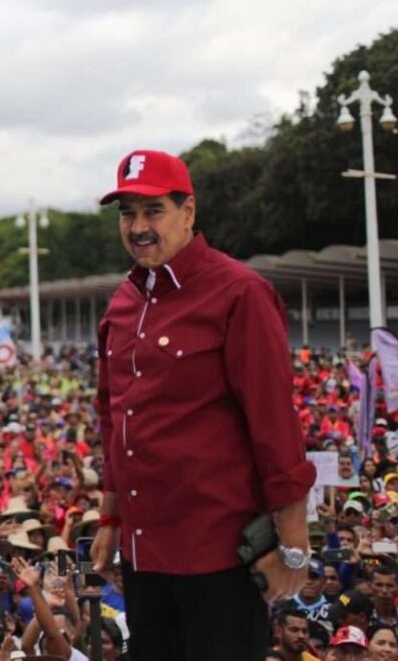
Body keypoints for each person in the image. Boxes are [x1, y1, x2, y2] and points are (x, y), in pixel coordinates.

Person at [90, 149, 317, 660]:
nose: (139, 227)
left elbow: (276, 428)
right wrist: (110, 522)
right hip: (145, 556)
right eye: (127, 213)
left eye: (154, 211)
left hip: (219, 556)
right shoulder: (123, 304)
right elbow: (114, 423)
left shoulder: (239, 293)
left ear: (188, 212)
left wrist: (294, 546)